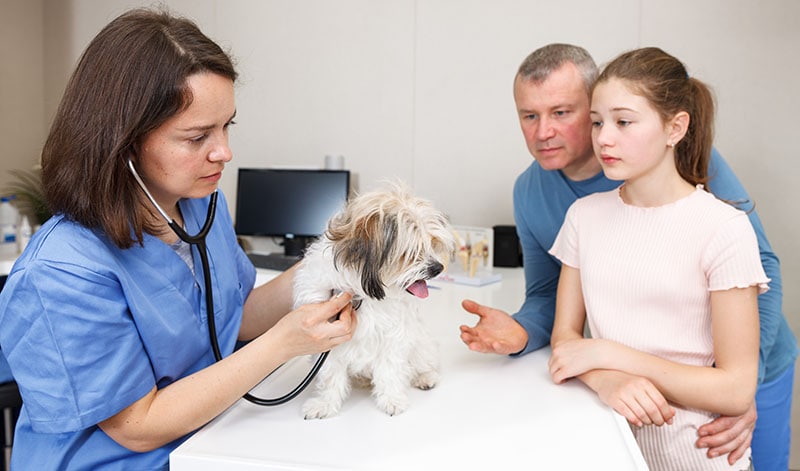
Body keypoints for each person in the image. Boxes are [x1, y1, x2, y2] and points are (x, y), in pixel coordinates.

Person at [0, 9, 356, 470]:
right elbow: (137, 426)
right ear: (123, 143)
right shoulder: (63, 272)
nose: (223, 151)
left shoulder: (202, 206)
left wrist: (329, 260)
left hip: (212, 439)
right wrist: (285, 342)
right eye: (196, 137)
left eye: (227, 126)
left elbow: (232, 319)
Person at [459, 43, 797, 469]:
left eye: (561, 113)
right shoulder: (550, 200)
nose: (543, 131)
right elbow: (550, 299)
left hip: (744, 364)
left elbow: (758, 271)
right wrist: (526, 335)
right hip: (637, 406)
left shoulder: (690, 167)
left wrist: (741, 391)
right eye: (529, 116)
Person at [547, 46, 767, 470]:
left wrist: (610, 355)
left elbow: (736, 389)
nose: (604, 138)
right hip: (606, 445)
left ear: (675, 127)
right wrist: (606, 379)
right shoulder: (583, 218)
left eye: (623, 122)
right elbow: (566, 342)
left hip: (700, 453)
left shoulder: (723, 228)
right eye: (597, 122)